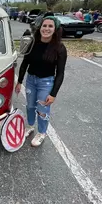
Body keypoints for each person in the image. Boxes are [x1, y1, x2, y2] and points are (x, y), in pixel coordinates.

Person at [15, 16, 67, 147]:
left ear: (55, 29)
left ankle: (42, 132)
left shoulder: (59, 48)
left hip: (46, 82)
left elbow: (60, 73)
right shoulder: (33, 43)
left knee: (42, 109)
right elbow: (25, 63)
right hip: (31, 80)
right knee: (30, 106)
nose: (47, 29)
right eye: (44, 26)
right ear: (40, 27)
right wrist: (19, 81)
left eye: (50, 26)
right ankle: (30, 126)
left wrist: (53, 94)